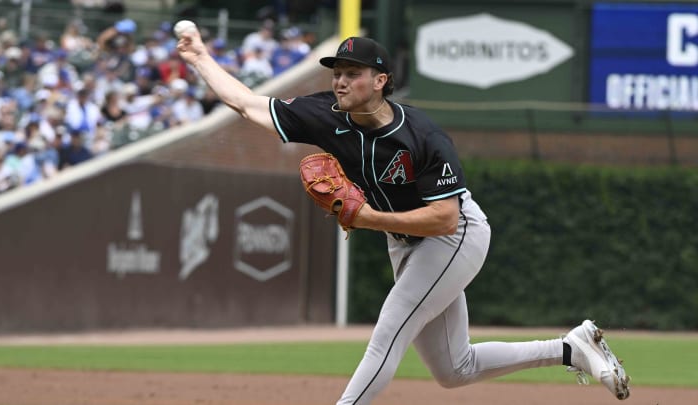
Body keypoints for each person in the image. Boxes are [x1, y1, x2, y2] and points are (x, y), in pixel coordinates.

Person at [176, 31, 631, 404]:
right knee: (455, 369)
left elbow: (444, 219)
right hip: (405, 241)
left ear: (380, 81)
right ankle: (572, 349)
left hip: (456, 237)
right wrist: (200, 57)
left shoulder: (423, 136)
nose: (340, 82)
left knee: (388, 332)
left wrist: (367, 217)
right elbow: (247, 104)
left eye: (353, 74)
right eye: (337, 73)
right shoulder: (325, 115)